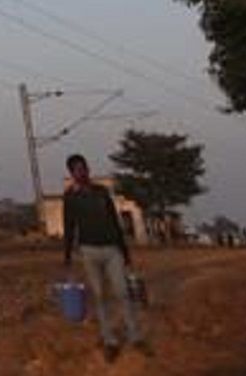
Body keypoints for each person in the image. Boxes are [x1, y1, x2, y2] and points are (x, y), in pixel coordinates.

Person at [62, 153, 147, 361]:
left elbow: (115, 223)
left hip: (112, 250)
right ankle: (109, 341)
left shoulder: (101, 192)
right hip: (89, 252)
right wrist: (67, 256)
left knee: (122, 293)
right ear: (72, 173)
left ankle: (135, 337)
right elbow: (69, 227)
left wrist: (125, 252)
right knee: (99, 297)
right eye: (78, 169)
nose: (83, 171)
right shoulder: (70, 198)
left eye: (85, 167)